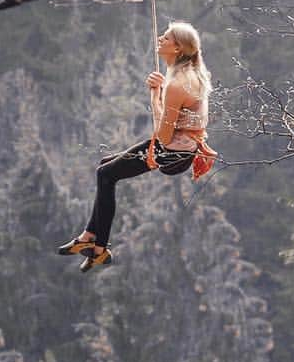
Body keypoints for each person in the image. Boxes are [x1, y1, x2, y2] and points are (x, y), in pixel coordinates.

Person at [58, 21, 212, 272]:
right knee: (106, 166)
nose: (160, 38)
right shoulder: (191, 75)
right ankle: (89, 235)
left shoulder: (176, 85)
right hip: (183, 149)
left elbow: (162, 136)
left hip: (171, 152)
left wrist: (154, 95)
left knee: (105, 174)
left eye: (166, 37)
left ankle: (100, 247)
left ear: (178, 49)